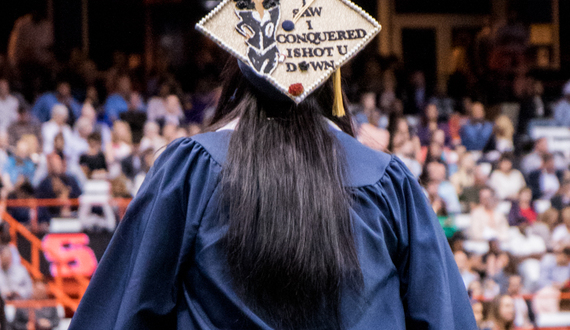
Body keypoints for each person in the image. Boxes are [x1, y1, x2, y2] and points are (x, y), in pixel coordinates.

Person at [69, 3, 475, 329]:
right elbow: (444, 317)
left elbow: (122, 310)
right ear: (329, 78)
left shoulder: (192, 170)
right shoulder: (386, 181)